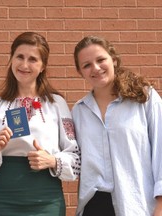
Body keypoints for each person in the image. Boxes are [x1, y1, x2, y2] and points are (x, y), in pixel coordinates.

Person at [0, 31, 81, 216]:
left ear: (43, 65)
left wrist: (52, 160)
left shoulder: (56, 104)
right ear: (11, 59)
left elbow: (75, 157)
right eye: (19, 57)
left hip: (46, 196)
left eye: (33, 59)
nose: (24, 65)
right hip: (2, 197)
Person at [71, 35, 162, 216]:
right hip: (93, 206)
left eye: (100, 60)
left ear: (113, 59)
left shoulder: (145, 98)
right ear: (80, 72)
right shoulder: (79, 111)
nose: (95, 68)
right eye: (87, 65)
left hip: (136, 204)